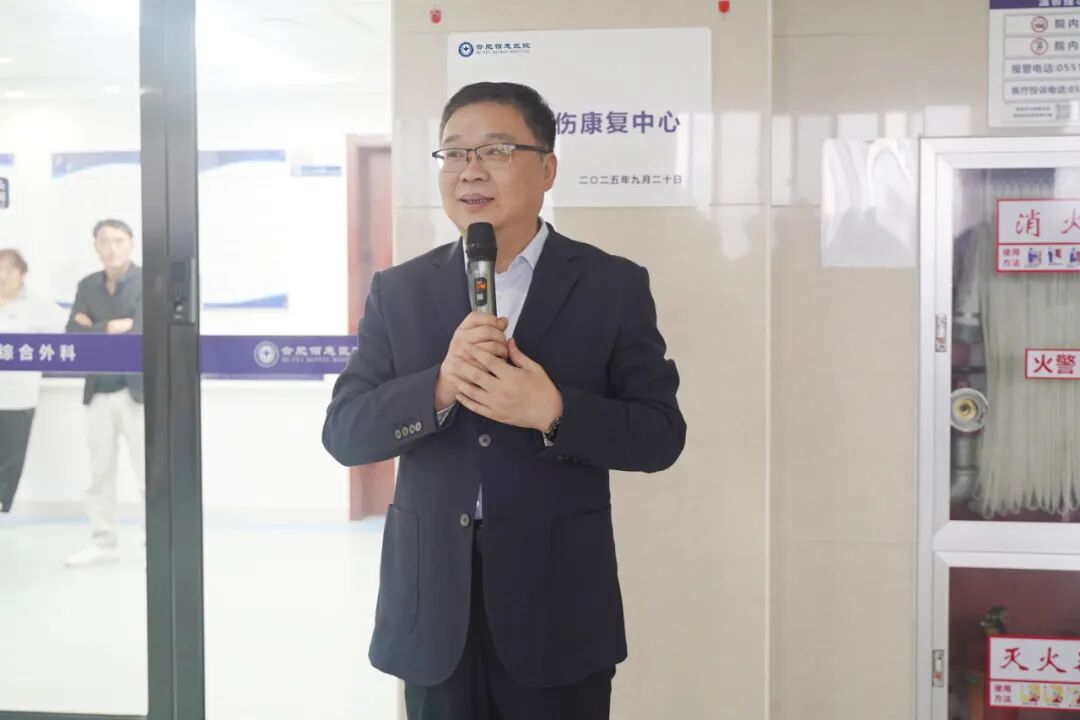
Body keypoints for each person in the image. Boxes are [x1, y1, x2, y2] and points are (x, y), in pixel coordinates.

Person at [322, 82, 686, 720]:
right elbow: (346, 433)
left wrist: (555, 413)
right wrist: (440, 386)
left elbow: (659, 435)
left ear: (547, 169)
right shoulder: (399, 291)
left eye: (495, 150)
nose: (470, 171)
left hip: (559, 609)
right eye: (454, 153)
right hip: (434, 610)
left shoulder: (612, 285)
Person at [64, 219, 144, 567]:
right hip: (98, 389)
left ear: (131, 243)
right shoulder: (88, 286)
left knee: (148, 472)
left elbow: (143, 332)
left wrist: (94, 326)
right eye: (104, 241)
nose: (112, 247)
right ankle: (103, 542)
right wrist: (111, 326)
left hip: (137, 391)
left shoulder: (148, 282)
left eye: (118, 240)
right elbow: (73, 334)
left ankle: (155, 544)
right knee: (99, 472)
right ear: (96, 246)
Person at [0, 249, 67, 514]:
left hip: (18, 394)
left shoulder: (38, 305)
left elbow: (63, 337)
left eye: (9, 269)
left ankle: (3, 506)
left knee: (10, 456)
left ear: (23, 274)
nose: (2, 275)